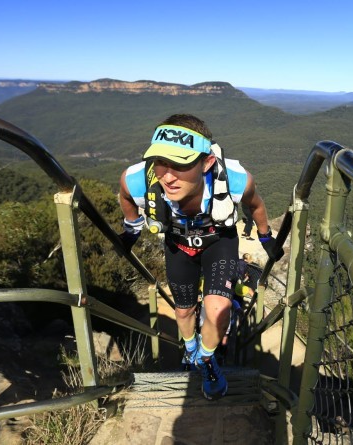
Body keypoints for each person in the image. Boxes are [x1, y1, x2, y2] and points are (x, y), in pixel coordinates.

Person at [117, 114, 284, 400]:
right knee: (183, 311)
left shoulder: (234, 179)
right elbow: (125, 195)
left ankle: (206, 360)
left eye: (181, 165)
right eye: (161, 162)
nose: (168, 176)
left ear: (206, 162)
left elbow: (255, 204)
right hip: (178, 242)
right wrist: (131, 226)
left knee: (219, 310)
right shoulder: (138, 180)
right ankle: (191, 349)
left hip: (219, 239)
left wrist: (266, 236)